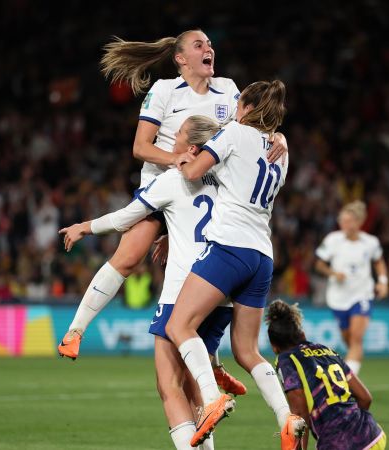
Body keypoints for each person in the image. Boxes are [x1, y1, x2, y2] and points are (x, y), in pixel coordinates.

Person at [58, 29, 287, 362]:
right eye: (199, 45)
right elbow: (140, 147)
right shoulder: (164, 90)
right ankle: (75, 332)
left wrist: (278, 135)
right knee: (129, 256)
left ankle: (211, 362)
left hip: (207, 193)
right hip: (166, 186)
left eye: (209, 44)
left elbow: (255, 124)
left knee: (205, 273)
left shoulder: (227, 89)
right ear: (181, 59)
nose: (209, 49)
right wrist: (174, 159)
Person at [59, 115, 240, 450]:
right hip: (223, 290)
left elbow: (126, 217)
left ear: (191, 148)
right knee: (193, 386)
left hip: (183, 289)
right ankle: (215, 387)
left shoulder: (173, 180)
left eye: (178, 135)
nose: (171, 140)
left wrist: (84, 226)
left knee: (169, 385)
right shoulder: (230, 179)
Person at [164, 80, 305, 450]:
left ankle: (211, 398)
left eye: (239, 101)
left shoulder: (234, 132)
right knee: (247, 351)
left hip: (229, 247)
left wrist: (183, 160)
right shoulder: (282, 151)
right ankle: (286, 417)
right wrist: (282, 136)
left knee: (180, 325)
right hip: (262, 256)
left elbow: (194, 172)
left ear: (247, 106)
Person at [266, 300, 387, 450]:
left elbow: (299, 412)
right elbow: (365, 398)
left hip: (337, 443)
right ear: (302, 334)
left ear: (274, 347)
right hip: (373, 435)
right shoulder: (327, 351)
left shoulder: (286, 360)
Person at [314, 201, 388, 375]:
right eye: (343, 221)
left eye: (349, 221)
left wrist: (383, 281)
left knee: (356, 339)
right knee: (349, 340)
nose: (345, 225)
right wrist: (333, 273)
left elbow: (378, 261)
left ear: (359, 221)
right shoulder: (333, 240)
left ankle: (345, 380)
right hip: (338, 298)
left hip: (362, 295)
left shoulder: (370, 242)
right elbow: (319, 264)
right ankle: (353, 369)